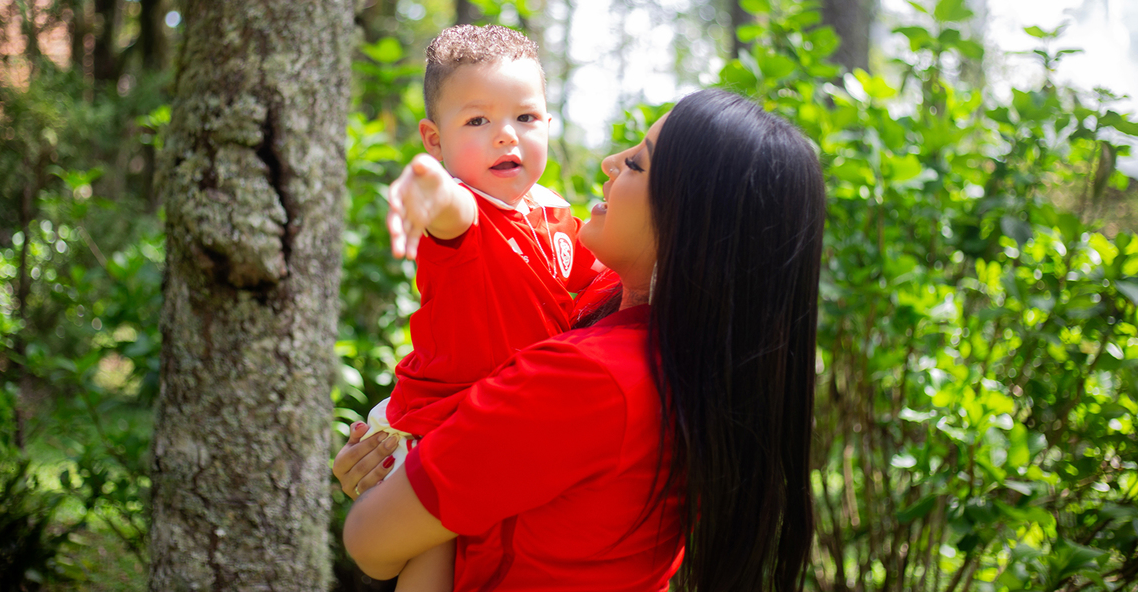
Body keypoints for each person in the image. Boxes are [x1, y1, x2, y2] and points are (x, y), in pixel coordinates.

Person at [335, 88, 826, 592]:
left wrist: (405, 469)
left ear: (691, 221)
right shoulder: (696, 360)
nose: (611, 163)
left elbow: (372, 542)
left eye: (637, 164)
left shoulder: (592, 380)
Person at [361, 24, 600, 590]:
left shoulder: (556, 216)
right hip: (442, 423)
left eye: (526, 117)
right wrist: (426, 186)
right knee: (434, 559)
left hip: (510, 427)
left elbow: (608, 276)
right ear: (434, 139)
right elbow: (450, 210)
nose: (505, 137)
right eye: (477, 120)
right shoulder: (468, 212)